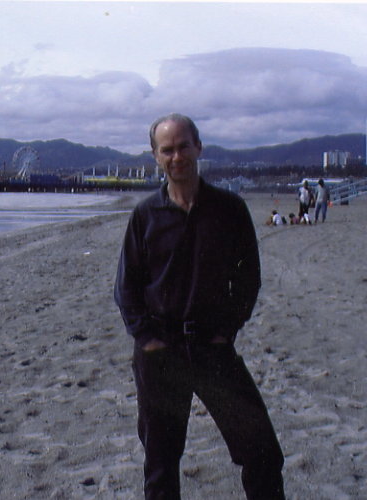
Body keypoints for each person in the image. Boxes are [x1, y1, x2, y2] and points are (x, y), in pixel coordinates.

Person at [114, 113, 285, 499]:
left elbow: (247, 279)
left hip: (212, 348)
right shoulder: (146, 215)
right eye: (167, 150)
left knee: (262, 452)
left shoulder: (229, 209)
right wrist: (148, 338)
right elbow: (126, 287)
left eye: (183, 146)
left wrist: (227, 329)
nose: (177, 157)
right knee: (161, 463)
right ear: (156, 156)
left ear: (198, 147)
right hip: (160, 353)